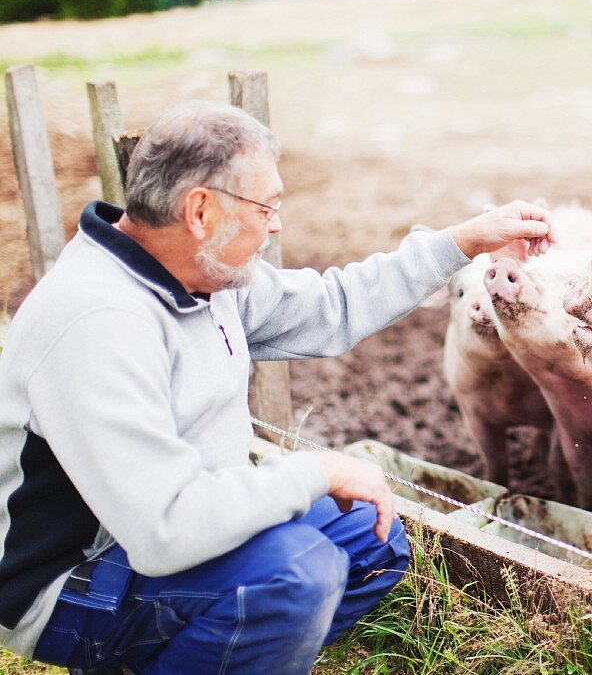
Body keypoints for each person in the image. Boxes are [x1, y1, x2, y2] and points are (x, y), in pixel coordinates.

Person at [0, 101, 556, 674]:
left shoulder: (202, 274)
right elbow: (165, 529)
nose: (278, 223)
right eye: (267, 206)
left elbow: (332, 308)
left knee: (370, 540)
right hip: (74, 578)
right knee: (295, 572)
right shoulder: (96, 320)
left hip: (169, 520)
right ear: (200, 211)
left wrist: (460, 244)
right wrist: (319, 472)